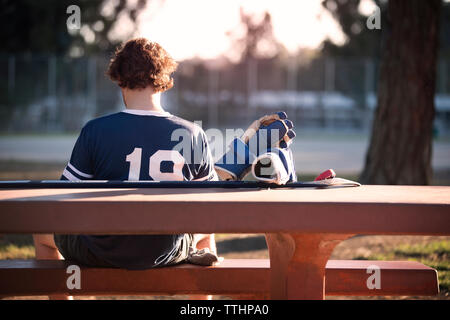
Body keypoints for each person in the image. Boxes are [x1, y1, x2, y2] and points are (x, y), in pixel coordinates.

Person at [32, 37, 296, 299]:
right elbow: (212, 201)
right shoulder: (192, 133)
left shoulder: (94, 130)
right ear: (164, 81)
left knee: (41, 230)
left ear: (119, 79)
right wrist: (242, 151)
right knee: (204, 234)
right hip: (166, 250)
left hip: (101, 250)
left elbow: (62, 201)